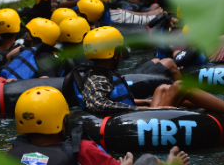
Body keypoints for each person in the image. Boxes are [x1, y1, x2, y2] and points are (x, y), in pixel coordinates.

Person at [7, 86, 213, 165]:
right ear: (63, 123)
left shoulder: (11, 156)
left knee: (141, 162)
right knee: (150, 160)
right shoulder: (85, 152)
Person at [78, 26, 224, 114]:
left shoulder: (102, 74)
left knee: (161, 89)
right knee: (180, 86)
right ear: (114, 53)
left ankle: (204, 108)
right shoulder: (97, 78)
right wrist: (143, 110)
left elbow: (116, 100)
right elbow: (98, 104)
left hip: (135, 114)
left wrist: (143, 102)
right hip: (133, 119)